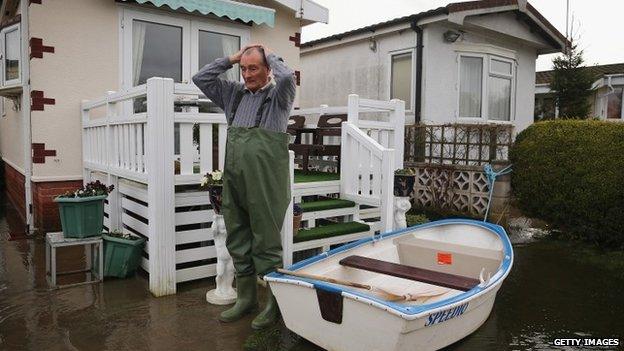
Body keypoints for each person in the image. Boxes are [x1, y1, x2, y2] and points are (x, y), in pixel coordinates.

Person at [192, 44, 295, 329]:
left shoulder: (279, 96)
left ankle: (274, 304)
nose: (247, 74)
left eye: (254, 68)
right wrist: (232, 59)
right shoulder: (233, 95)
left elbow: (287, 77)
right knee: (237, 236)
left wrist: (268, 54)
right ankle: (247, 299)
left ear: (266, 69)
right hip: (235, 176)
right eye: (244, 69)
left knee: (266, 241)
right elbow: (201, 78)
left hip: (266, 181)